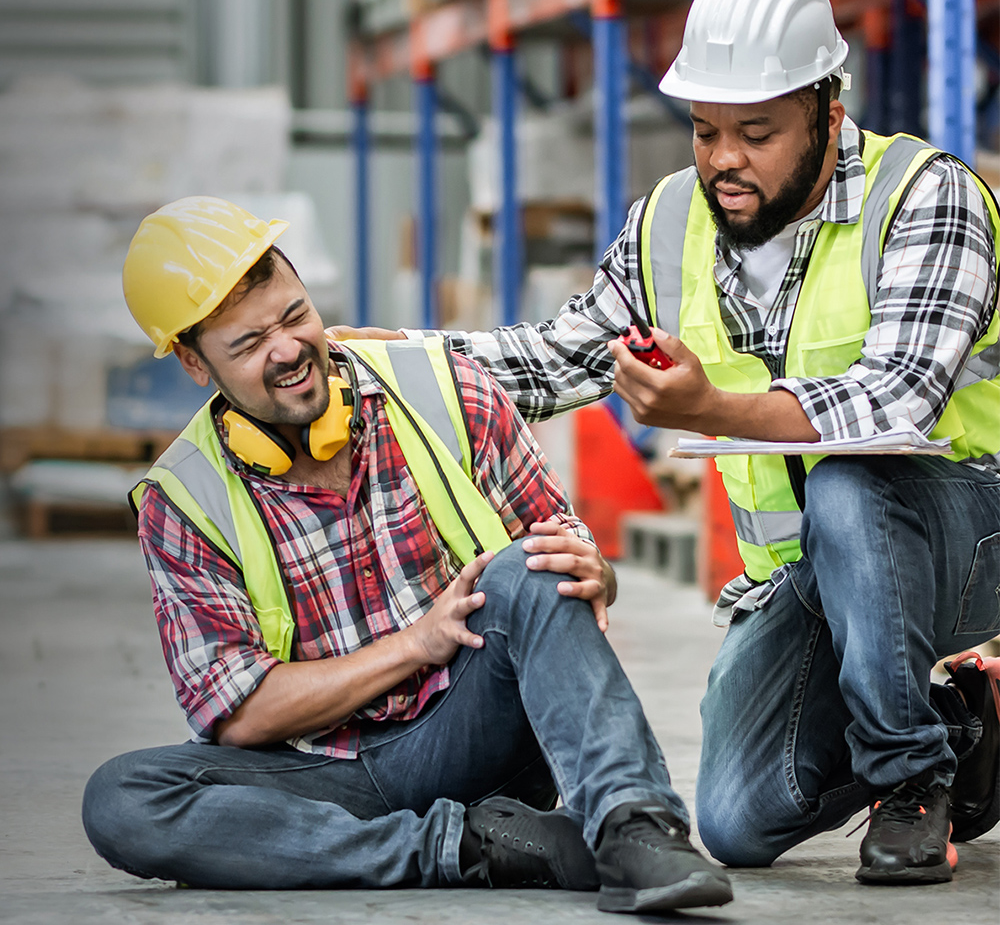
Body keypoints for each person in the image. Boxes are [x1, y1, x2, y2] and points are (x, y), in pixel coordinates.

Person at [337, 0, 1000, 885]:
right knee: (734, 817)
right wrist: (398, 361)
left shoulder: (928, 198)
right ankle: (971, 730)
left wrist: (712, 410)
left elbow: (892, 404)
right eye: (705, 130)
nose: (725, 158)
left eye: (756, 132)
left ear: (828, 112)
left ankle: (913, 780)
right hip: (808, 574)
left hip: (969, 535)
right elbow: (555, 358)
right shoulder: (670, 224)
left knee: (850, 478)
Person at [81, 195, 733, 915]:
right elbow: (239, 714)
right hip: (321, 771)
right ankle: (472, 850)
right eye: (248, 344)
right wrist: (414, 644)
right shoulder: (184, 500)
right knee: (123, 798)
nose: (290, 350)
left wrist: (595, 570)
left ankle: (635, 827)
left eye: (295, 316)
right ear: (193, 362)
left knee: (533, 566)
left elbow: (562, 550)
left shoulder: (445, 388)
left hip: (475, 734)